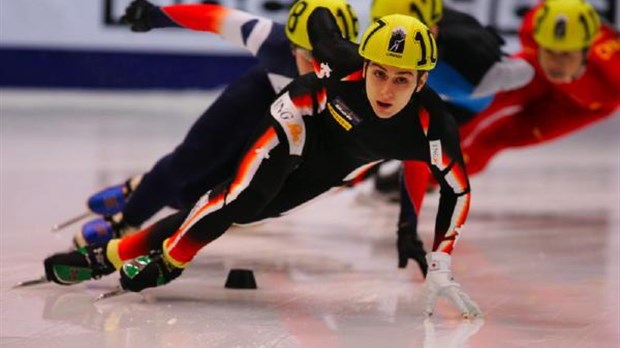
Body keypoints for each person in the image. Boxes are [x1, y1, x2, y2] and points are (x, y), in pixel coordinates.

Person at [45, 11, 482, 318]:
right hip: (299, 117)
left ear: (422, 81)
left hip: (333, 165)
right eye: (379, 73)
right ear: (364, 64)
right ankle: (169, 261)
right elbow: (319, 26)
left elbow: (456, 190)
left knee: (251, 212)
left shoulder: (433, 126)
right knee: (243, 194)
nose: (386, 90)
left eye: (402, 79)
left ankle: (114, 254)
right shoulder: (341, 62)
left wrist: (440, 259)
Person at [72, 0, 359, 248]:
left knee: (209, 193)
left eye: (329, 59)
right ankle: (126, 221)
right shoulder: (270, 41)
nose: (320, 69)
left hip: (295, 116)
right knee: (189, 160)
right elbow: (215, 19)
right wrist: (155, 16)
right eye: (310, 58)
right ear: (292, 48)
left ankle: (143, 187)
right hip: (260, 96)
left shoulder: (361, 71)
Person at [364, 0, 534, 275]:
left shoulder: (475, 65)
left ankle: (390, 182)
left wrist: (409, 224)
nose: (397, 52)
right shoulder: (385, 44)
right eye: (392, 37)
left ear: (434, 30)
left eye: (412, 39)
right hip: (445, 87)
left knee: (431, 153)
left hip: (467, 101)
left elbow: (524, 72)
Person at [458, 0, 619, 175]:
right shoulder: (533, 24)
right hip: (536, 74)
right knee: (468, 109)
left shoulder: (613, 68)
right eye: (549, 51)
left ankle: (438, 180)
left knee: (494, 138)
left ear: (587, 51)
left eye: (566, 54)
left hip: (578, 106)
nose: (556, 64)